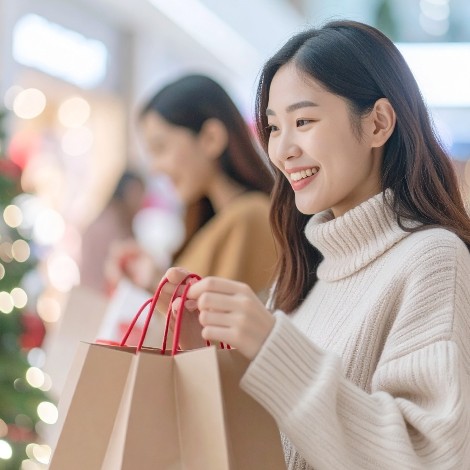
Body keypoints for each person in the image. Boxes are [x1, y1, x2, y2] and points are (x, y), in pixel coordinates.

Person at [158, 20, 470, 469]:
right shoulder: (305, 269)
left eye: (303, 121)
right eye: (274, 127)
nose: (282, 149)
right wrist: (203, 350)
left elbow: (429, 456)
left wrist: (272, 346)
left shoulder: (433, 259)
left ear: (378, 123)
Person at [107, 75, 276, 298]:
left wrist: (156, 283)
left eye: (161, 148)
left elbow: (206, 324)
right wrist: (152, 279)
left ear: (210, 138)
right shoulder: (218, 219)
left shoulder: (249, 215)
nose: (155, 168)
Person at [80, 169, 146, 294]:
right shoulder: (110, 227)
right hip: (99, 299)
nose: (140, 202)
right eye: (138, 194)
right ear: (127, 192)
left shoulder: (112, 221)